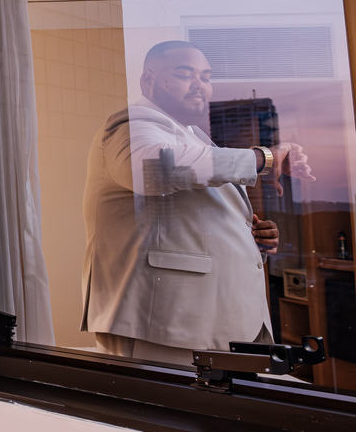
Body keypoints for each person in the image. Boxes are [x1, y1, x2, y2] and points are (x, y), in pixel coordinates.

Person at [81, 40, 313, 364]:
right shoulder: (130, 127)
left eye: (206, 76)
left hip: (214, 322)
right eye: (184, 74)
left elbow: (190, 218)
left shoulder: (192, 137)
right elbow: (156, 168)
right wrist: (263, 158)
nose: (199, 85)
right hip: (165, 323)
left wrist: (249, 239)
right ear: (148, 81)